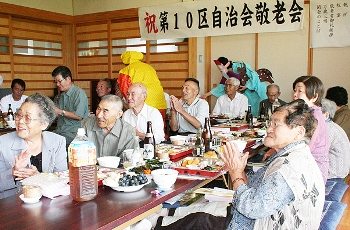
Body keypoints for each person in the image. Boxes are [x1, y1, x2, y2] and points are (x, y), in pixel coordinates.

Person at [153, 100, 325, 230]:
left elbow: (252, 208)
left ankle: (154, 224)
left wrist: (235, 173)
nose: (269, 128)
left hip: (262, 223)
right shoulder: (293, 154)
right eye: (269, 123)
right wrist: (240, 171)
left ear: (299, 132)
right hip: (263, 215)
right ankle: (160, 219)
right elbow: (253, 187)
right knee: (205, 208)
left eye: (276, 124)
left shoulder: (290, 166)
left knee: (201, 221)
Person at [0, 93, 68, 199]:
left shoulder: (57, 142)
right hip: (12, 208)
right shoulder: (2, 143)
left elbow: (62, 179)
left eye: (27, 118)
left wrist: (40, 178)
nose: (20, 121)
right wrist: (13, 173)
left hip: (49, 205)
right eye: (19, 115)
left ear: (44, 124)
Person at [292, 76, 329, 184]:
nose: (295, 95)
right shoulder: (310, 113)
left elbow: (305, 149)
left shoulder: (314, 117)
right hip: (308, 166)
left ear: (314, 96)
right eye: (295, 91)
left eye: (300, 91)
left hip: (314, 173)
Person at [52, 66, 89, 146]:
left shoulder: (79, 93)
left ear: (68, 79)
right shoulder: (61, 96)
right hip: (60, 131)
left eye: (59, 81)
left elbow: (79, 116)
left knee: (52, 143)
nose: (57, 84)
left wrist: (59, 111)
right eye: (56, 82)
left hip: (73, 133)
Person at [321, 98, 350, 180]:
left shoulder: (327, 129)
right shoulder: (331, 126)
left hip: (334, 175)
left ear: (326, 115)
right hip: (339, 173)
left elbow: (319, 152)